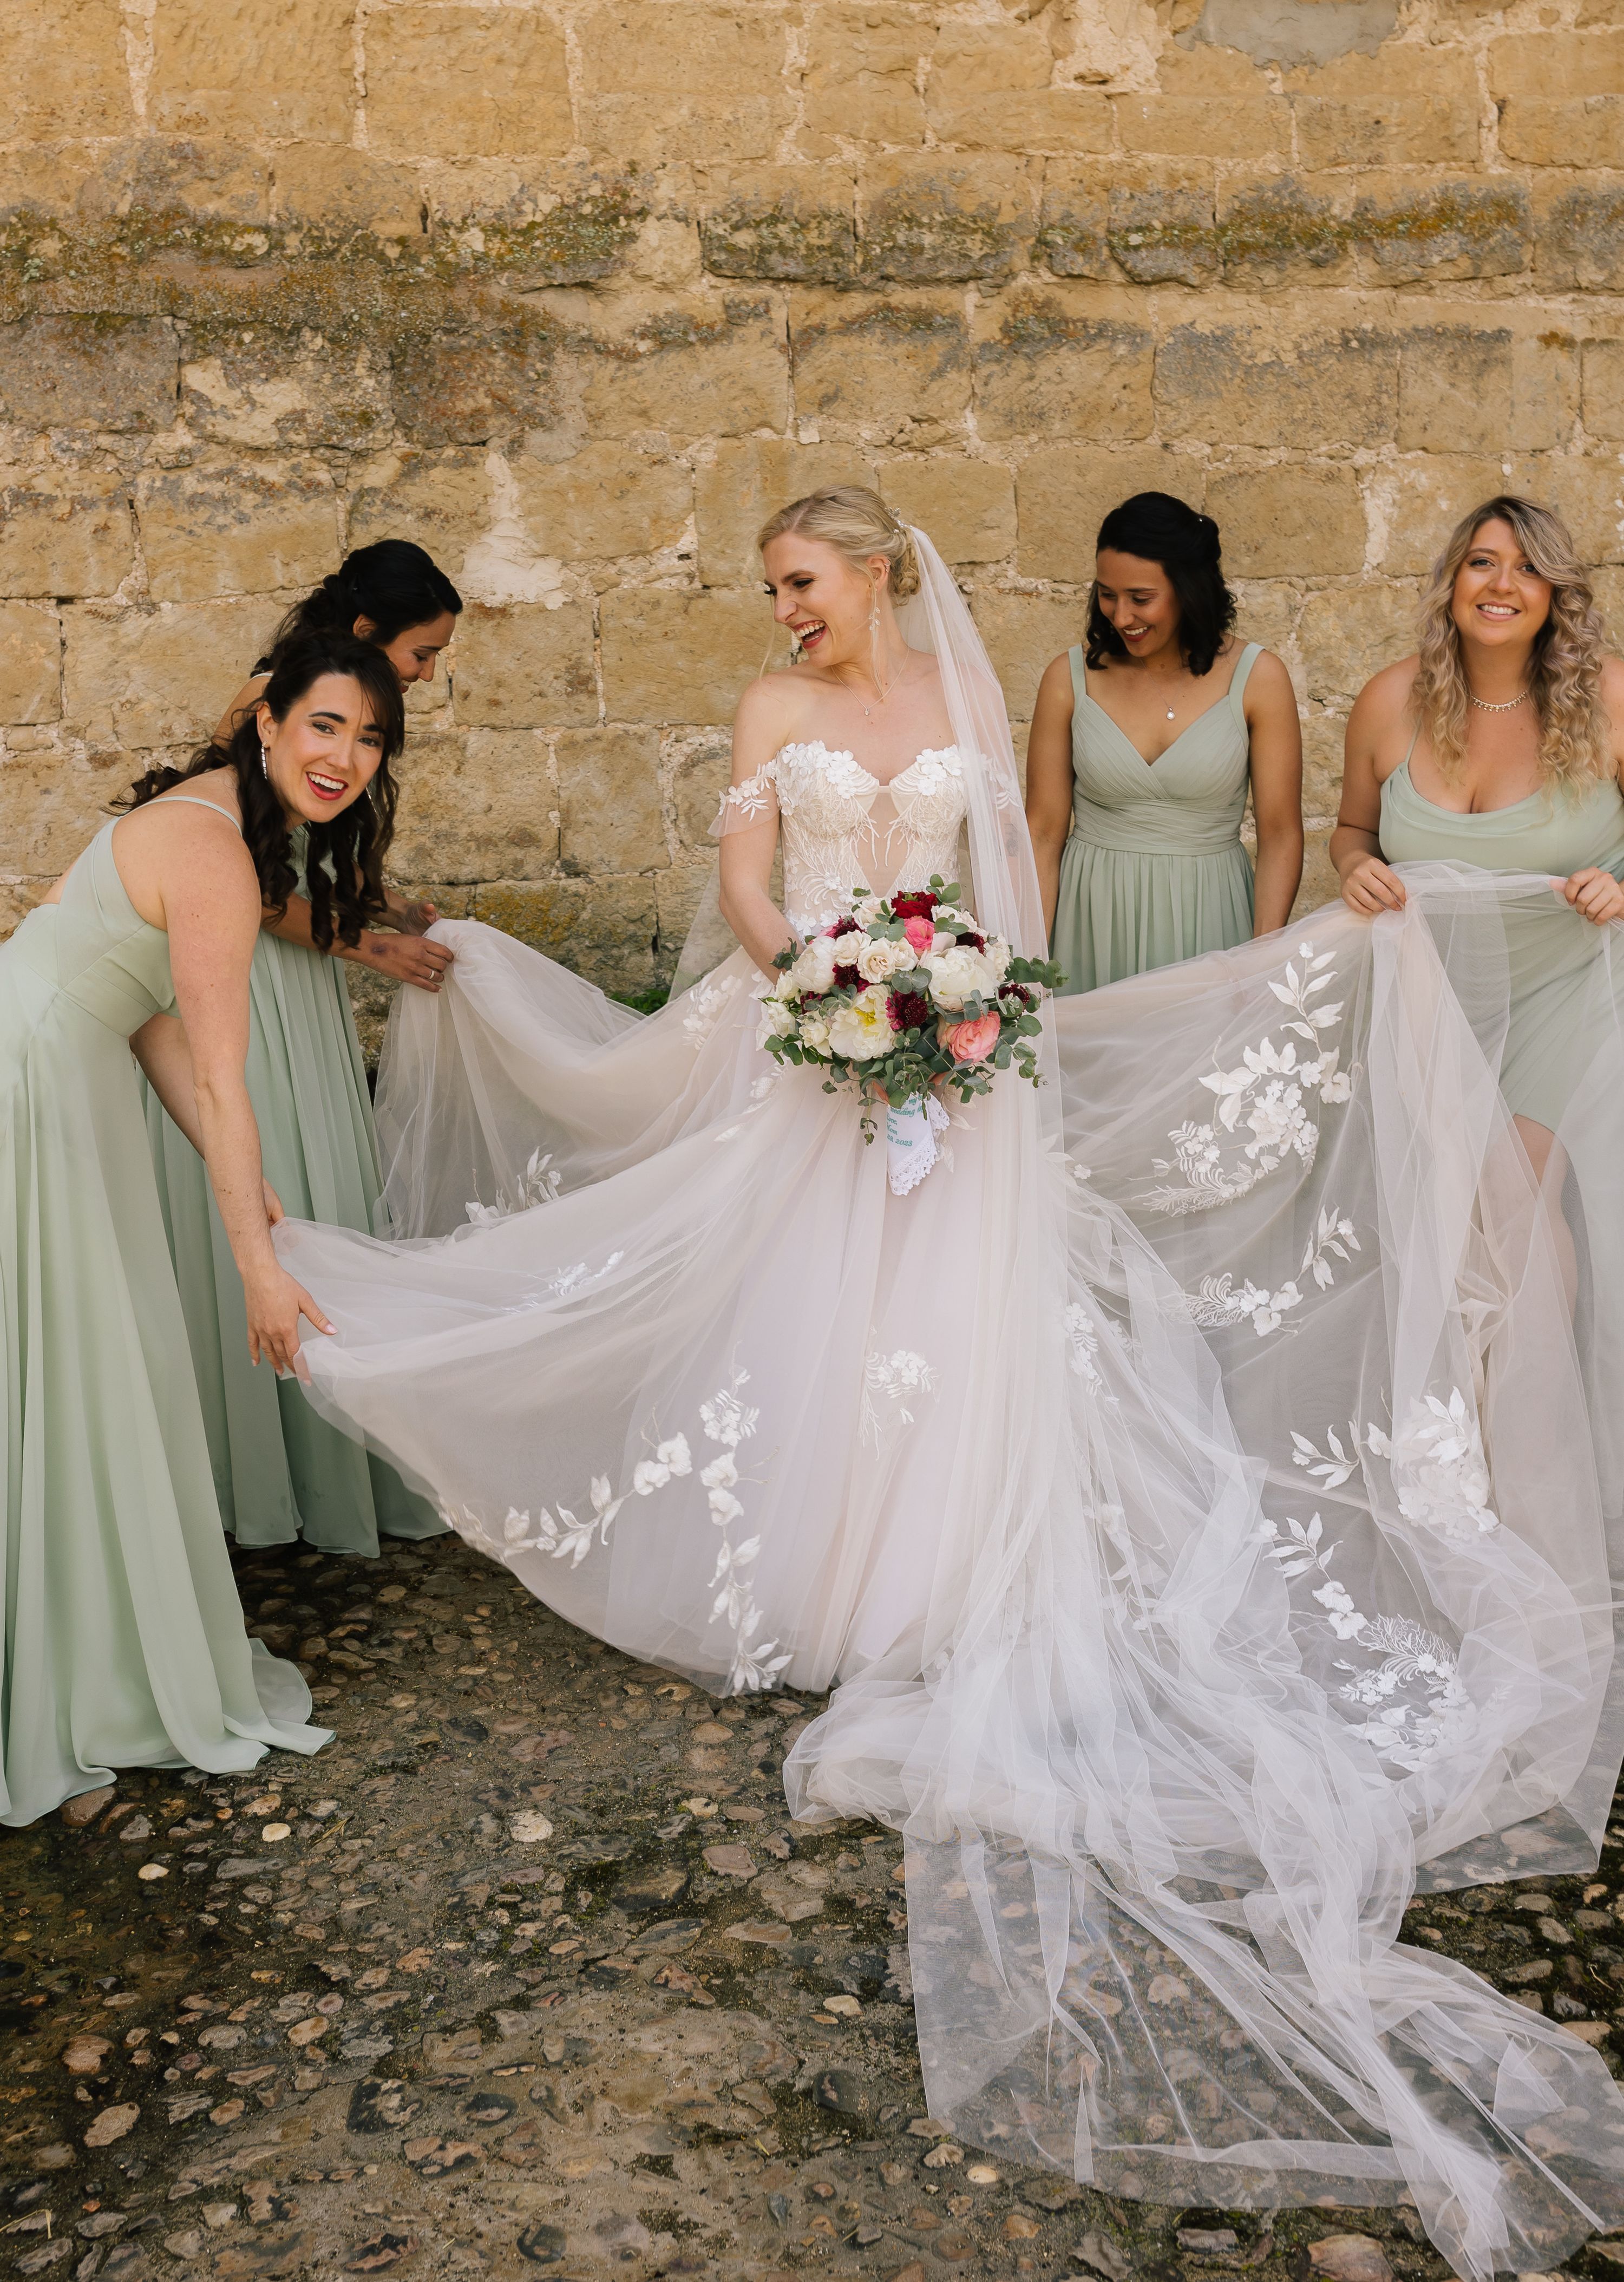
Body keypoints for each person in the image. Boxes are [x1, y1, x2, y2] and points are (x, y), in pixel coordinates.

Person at [273, 488, 1624, 2274]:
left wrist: (964, 999)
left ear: (880, 577)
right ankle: (816, 1546)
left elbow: (1004, 877)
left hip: (957, 1054)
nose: (789, 612)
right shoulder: (774, 714)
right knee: (799, 1312)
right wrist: (831, 990)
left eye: (806, 585)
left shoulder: (968, 711)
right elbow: (753, 888)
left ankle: (941, 1553)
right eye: (775, 592)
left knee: (961, 1318)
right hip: (820, 1039)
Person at [0, 628, 402, 1823]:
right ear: (265, 718)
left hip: (47, 1061)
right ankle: (78, 1682)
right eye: (325, 724)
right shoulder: (218, 853)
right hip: (38, 1093)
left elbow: (137, 1013)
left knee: (66, 1371)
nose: (346, 757)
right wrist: (258, 1267)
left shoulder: (189, 811)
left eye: (371, 737)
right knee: (75, 1370)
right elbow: (227, 1075)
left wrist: (230, 1170)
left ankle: (67, 1649)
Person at [147, 540, 464, 1555]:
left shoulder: (326, 702)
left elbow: (296, 854)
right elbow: (247, 880)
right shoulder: (268, 704)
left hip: (296, 976)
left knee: (315, 1189)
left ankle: (319, 1454)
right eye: (424, 653)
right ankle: (269, 1470)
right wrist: (370, 944)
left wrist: (371, 902)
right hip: (252, 975)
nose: (426, 675)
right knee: (272, 1174)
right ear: (372, 630)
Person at [1332, 494, 1624, 1225]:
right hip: (1433, 991)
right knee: (1443, 1203)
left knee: (1517, 1195)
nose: (1502, 585)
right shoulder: (1390, 700)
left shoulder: (1611, 697)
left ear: (1555, 595)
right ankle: (1474, 1349)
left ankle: (1527, 1349)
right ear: (1452, 582)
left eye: (1529, 569)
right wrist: (1353, 867)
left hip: (1567, 985)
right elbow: (1351, 829)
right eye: (1482, 564)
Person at [1025, 492, 1302, 990]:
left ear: (1189, 589)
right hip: (1091, 922)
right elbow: (1043, 833)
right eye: (1107, 594)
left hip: (1213, 921)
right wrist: (1025, 971)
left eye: (1141, 597)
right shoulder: (1068, 679)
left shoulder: (1259, 677)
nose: (1121, 616)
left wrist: (1263, 961)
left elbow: (1281, 834)